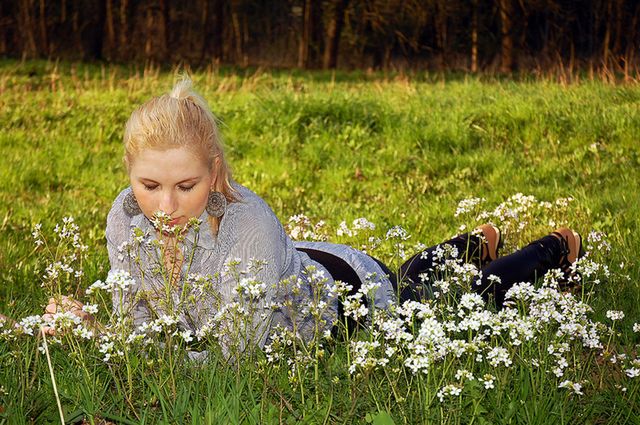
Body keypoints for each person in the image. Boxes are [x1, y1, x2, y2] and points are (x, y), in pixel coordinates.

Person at [41, 79, 584, 351]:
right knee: (417, 280)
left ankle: (551, 252)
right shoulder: (123, 216)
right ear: (129, 175)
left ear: (216, 172)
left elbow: (236, 356)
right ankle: (468, 243)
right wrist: (100, 329)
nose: (164, 206)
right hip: (296, 261)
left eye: (186, 185)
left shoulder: (249, 223)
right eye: (148, 185)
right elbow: (141, 325)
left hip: (345, 291)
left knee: (435, 306)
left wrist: (104, 341)